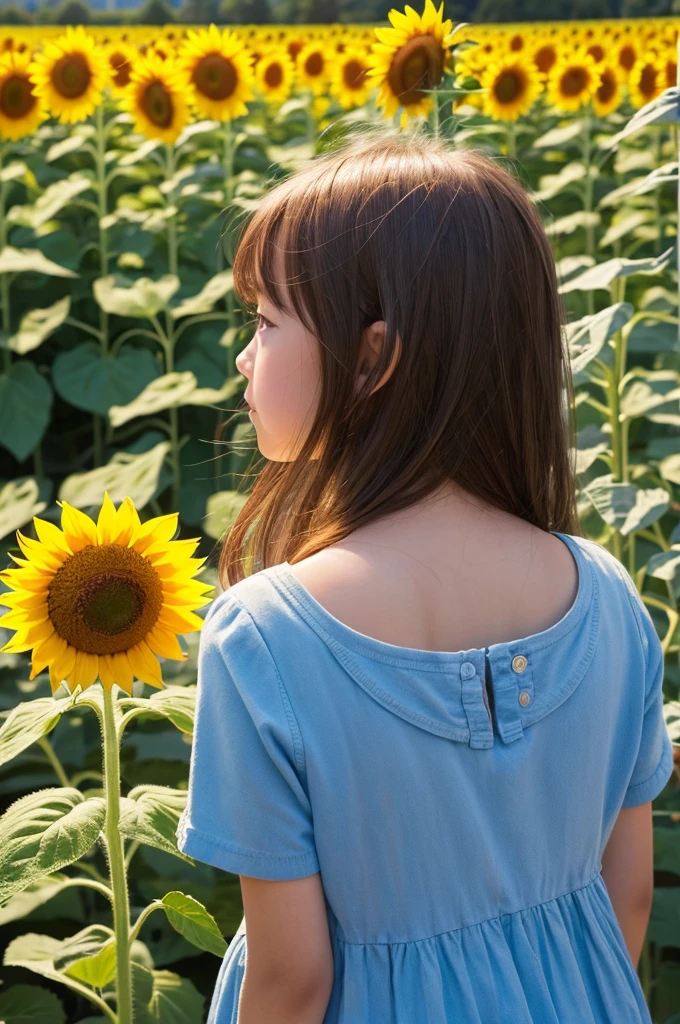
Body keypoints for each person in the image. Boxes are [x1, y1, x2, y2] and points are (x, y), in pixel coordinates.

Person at [175, 126, 674, 1023]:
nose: (244, 358)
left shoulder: (268, 637)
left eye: (264, 322)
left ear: (373, 356)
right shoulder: (605, 595)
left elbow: (293, 979)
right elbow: (626, 896)